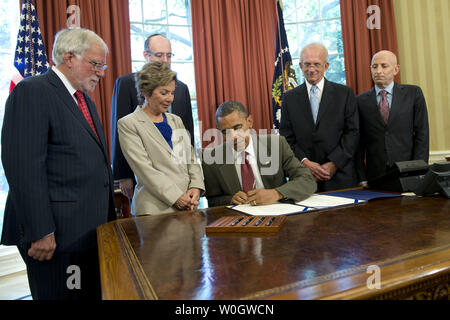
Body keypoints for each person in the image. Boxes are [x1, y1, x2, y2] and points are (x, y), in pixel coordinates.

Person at [1, 28, 115, 300]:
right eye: (95, 64)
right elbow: (24, 169)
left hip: (86, 233)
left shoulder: (84, 99)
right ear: (69, 58)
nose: (101, 72)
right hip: (55, 238)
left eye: (103, 65)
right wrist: (41, 231)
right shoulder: (33, 91)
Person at [111, 33, 194, 201]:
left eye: (169, 55)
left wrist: (192, 178)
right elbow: (119, 132)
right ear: (145, 55)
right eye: (159, 55)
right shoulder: (126, 83)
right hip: (142, 176)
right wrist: (123, 175)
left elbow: (188, 134)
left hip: (179, 176)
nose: (165, 59)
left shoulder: (182, 88)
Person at [117, 61, 204, 215]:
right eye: (164, 93)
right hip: (153, 210)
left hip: (187, 205)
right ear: (146, 91)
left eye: (172, 92)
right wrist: (176, 197)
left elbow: (190, 158)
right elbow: (146, 171)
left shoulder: (176, 120)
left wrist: (195, 187)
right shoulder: (128, 124)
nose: (170, 98)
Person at [202, 100, 316, 207]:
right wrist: (230, 199)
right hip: (239, 221)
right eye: (225, 132)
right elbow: (212, 200)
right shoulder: (212, 158)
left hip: (277, 213)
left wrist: (276, 193)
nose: (234, 137)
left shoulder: (276, 144)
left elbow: (307, 180)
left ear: (249, 122)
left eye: (237, 128)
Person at [279, 43, 359, 192]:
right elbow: (286, 137)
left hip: (340, 176)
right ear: (301, 66)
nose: (311, 69)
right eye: (307, 64)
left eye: (317, 64)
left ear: (326, 66)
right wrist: (305, 163)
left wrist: (334, 163)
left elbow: (353, 133)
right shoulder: (289, 98)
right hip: (304, 177)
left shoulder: (345, 94)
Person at [355, 50, 429, 185]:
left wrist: (419, 170)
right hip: (375, 175)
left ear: (396, 69)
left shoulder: (413, 94)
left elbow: (422, 134)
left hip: (408, 171)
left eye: (384, 66)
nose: (378, 71)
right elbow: (358, 144)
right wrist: (362, 177)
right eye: (374, 66)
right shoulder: (360, 101)